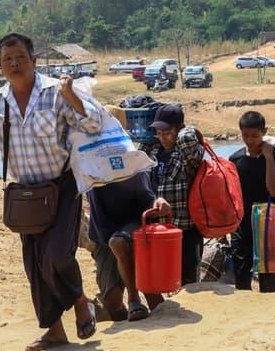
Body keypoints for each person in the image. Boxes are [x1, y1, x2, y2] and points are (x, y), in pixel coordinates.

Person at [0, 32, 102, 351]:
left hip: (62, 187)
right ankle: (54, 331)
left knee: (57, 256)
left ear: (34, 61)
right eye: (7, 59)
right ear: (0, 65)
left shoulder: (56, 93)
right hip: (24, 196)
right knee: (35, 267)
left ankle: (81, 300)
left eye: (20, 57)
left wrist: (73, 98)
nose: (14, 64)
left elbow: (94, 124)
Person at [87, 173, 169, 321]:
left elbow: (147, 197)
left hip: (133, 226)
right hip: (102, 233)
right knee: (113, 300)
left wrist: (157, 201)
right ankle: (125, 320)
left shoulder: (130, 163)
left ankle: (134, 300)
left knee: (118, 243)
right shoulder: (88, 163)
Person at [139, 104, 204, 285]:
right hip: (157, 230)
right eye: (158, 132)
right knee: (162, 280)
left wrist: (186, 129)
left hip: (184, 231)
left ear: (180, 129)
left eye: (166, 132)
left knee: (187, 284)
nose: (161, 137)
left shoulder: (186, 154)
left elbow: (187, 138)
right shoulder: (152, 151)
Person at [229, 111, 275, 292]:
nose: (250, 140)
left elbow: (274, 189)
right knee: (241, 275)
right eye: (245, 135)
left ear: (264, 132)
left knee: (270, 275)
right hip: (243, 223)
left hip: (270, 223)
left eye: (255, 135)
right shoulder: (235, 159)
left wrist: (268, 158)